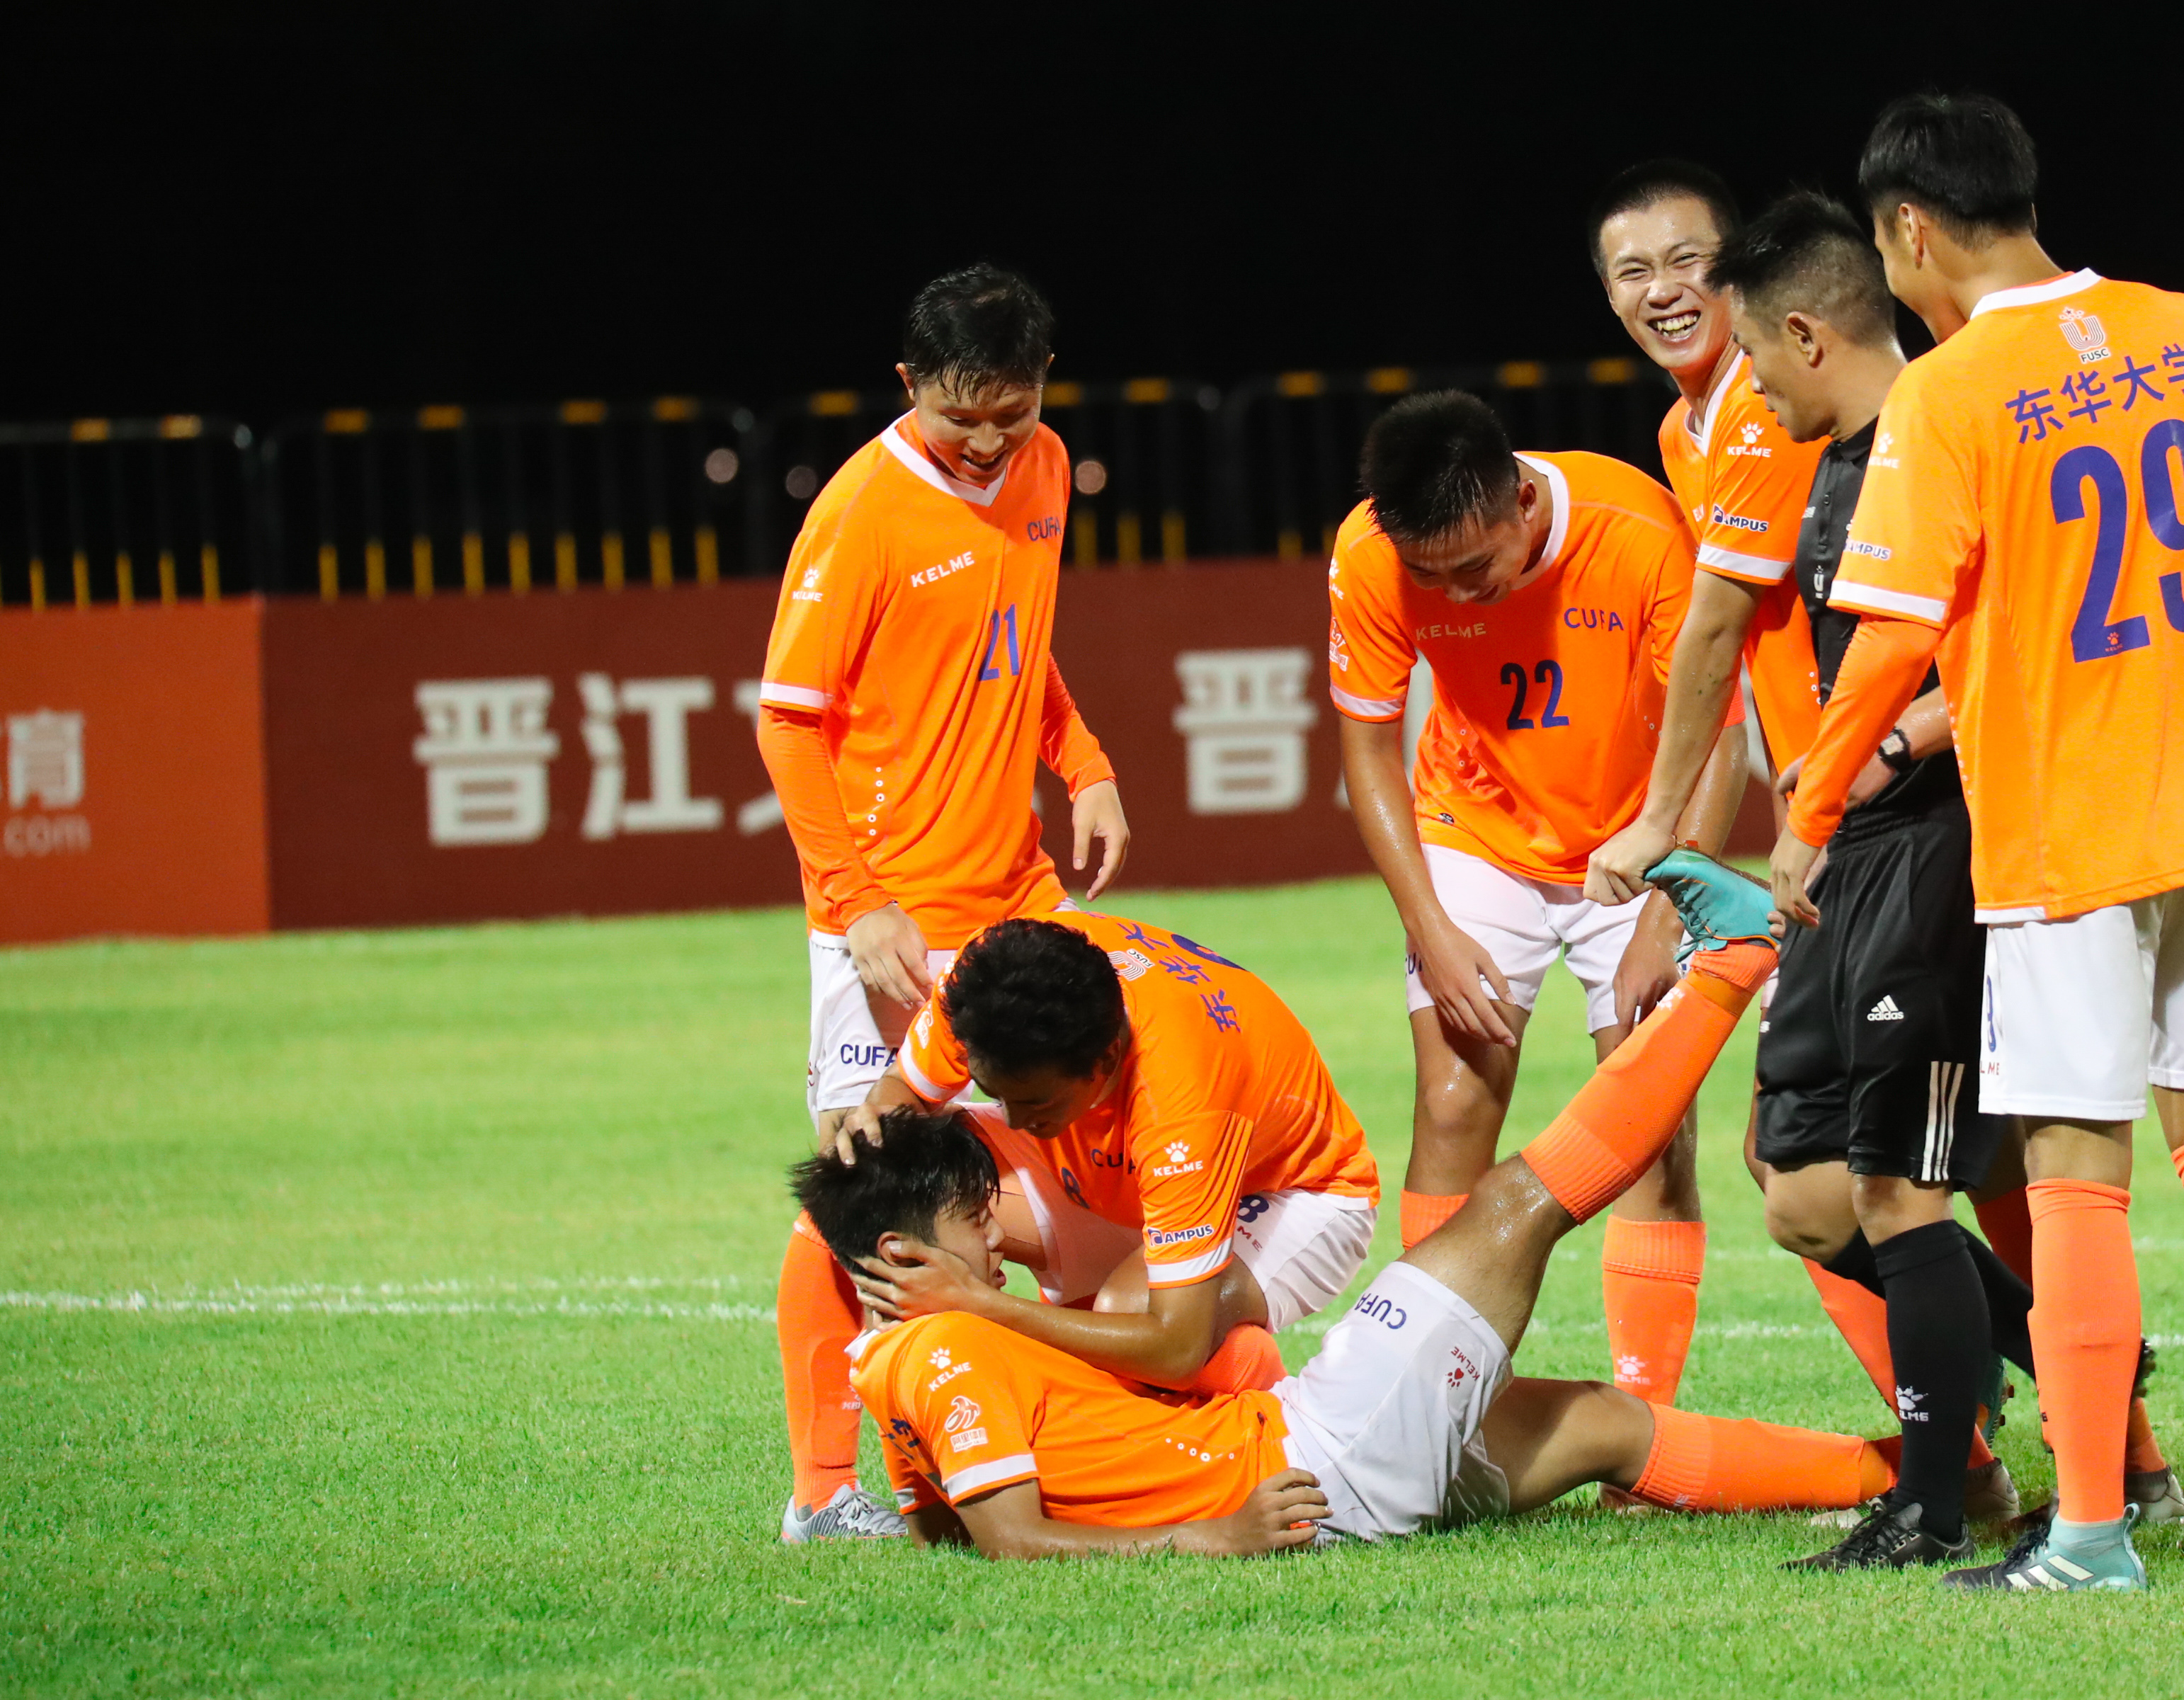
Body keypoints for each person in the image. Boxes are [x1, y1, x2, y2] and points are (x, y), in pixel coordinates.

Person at [1784, 93, 2184, 1591]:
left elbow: (1888, 640)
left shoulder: (1952, 390)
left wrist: (1810, 806)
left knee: (2076, 1171)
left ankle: (2089, 1528)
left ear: (1909, 229)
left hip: (2063, 830)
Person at [802, 855, 1899, 1556]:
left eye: (1030, 1106)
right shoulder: (953, 1326)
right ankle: (1736, 960)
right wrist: (1202, 1532)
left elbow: (952, 1515)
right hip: (1326, 1451)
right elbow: (1008, 1536)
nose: (1007, 1137)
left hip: (1294, 1241)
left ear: (1098, 1062)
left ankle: (1928, 1475)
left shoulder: (1164, 1090)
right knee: (1519, 1200)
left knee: (1602, 1426)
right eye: (971, 1220)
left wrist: (969, 1302)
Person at [1701, 188, 2184, 1570]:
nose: (1749, 384)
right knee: (1800, 1192)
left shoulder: (1949, 434)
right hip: (1846, 855)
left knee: (1901, 1190)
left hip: (1938, 855)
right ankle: (2074, 1345)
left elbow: (2008, 650)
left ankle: (1932, 1505)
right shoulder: (1836, 463)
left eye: (1753, 353)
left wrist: (1883, 750)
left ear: (1804, 335)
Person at [1581, 160, 2017, 1504]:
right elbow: (1735, 674)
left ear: (1763, 301)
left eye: (1687, 264)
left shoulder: (1809, 423)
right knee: (1816, 1182)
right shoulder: (1708, 428)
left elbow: (1724, 636)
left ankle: (2023, 1461)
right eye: (1631, 272)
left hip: (1900, 829)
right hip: (1830, 828)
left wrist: (1661, 834)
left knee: (1927, 1172)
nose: (1665, 292)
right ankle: (2040, 1396)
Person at [757, 263, 1132, 1543]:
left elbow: (1014, 642)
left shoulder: (1044, 468)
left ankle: (1070, 1434)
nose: (984, 441)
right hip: (893, 916)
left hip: (1015, 894)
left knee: (1064, 1157)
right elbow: (787, 723)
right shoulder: (860, 512)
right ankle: (824, 1491)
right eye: (958, 414)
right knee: (867, 1188)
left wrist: (1084, 763)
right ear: (908, 382)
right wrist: (855, 901)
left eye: (1010, 413)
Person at [1329, 389, 1746, 1427]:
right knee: (1451, 1101)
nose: (1454, 593)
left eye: (1473, 566)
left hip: (1637, 844)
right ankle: (1429, 1414)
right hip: (1476, 831)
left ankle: (1643, 1425)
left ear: (1520, 498)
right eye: (1429, 576)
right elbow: (1367, 747)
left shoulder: (1636, 529)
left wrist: (1665, 906)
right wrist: (1429, 925)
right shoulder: (1371, 553)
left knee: (1650, 1125)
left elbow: (1719, 733)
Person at [841, 911, 1378, 1397]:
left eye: (1035, 1102)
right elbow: (899, 1096)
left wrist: (982, 1305)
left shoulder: (1181, 1105)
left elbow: (1176, 1347)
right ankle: (848, 1471)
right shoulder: (991, 983)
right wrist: (873, 1129)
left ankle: (1262, 1408)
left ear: (1109, 1056)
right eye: (995, 1095)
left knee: (1131, 1313)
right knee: (882, 1187)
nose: (1013, 1121)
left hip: (1285, 1191)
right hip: (1123, 1170)